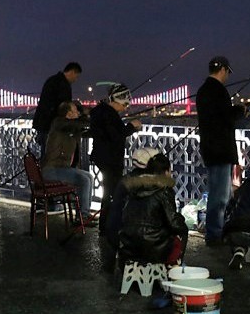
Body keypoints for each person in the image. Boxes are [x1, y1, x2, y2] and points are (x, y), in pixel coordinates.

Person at [195, 56, 246, 246]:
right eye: (228, 72)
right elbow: (225, 117)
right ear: (223, 70)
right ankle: (214, 234)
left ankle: (215, 230)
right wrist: (240, 110)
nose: (228, 76)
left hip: (210, 148)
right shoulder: (219, 91)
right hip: (220, 149)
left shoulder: (203, 91)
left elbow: (215, 117)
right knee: (220, 196)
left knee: (219, 193)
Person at [117, 149, 188, 266]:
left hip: (127, 245)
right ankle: (172, 269)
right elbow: (174, 223)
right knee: (181, 231)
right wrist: (182, 220)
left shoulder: (134, 187)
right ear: (165, 172)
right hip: (154, 250)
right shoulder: (164, 190)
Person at [89, 83, 142, 233]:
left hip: (101, 156)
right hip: (110, 159)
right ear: (118, 100)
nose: (126, 107)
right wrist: (132, 126)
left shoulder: (100, 111)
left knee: (109, 191)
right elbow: (116, 136)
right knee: (113, 193)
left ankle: (106, 225)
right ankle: (109, 227)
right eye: (125, 104)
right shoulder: (108, 115)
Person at [40, 101, 95, 225]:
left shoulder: (70, 126)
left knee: (89, 176)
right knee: (84, 180)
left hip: (61, 168)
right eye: (76, 111)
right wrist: (88, 115)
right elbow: (80, 124)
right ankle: (82, 217)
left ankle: (84, 213)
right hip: (51, 170)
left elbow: (84, 129)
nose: (78, 113)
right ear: (69, 113)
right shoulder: (58, 123)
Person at [33, 62, 82, 159]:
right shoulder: (63, 84)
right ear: (72, 72)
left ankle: (45, 173)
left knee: (46, 155)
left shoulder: (52, 80)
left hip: (43, 124)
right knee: (51, 156)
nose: (76, 80)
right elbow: (63, 106)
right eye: (76, 77)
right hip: (51, 126)